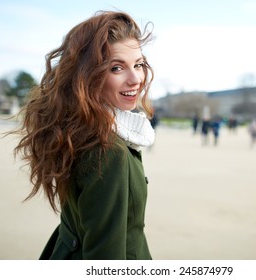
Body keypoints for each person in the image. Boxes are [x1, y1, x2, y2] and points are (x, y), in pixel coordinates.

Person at [11, 11, 155, 260]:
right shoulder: (108, 151)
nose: (136, 79)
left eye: (138, 64)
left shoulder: (78, 128)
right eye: (117, 67)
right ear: (87, 75)